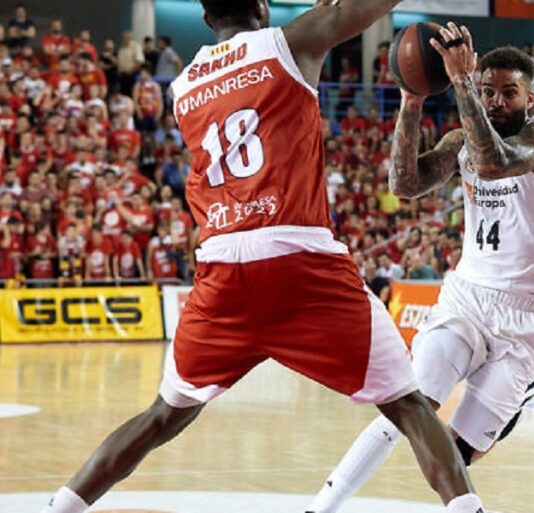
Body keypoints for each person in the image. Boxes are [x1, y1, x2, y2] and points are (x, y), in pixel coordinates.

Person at [39, 2, 483, 513]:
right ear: (261, 6)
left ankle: (61, 508)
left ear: (207, 19)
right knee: (408, 405)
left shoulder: (183, 86)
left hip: (223, 269)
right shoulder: (289, 42)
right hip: (300, 259)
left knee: (163, 415)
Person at [308, 34, 534, 513]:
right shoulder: (460, 142)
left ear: (530, 98)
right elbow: (404, 184)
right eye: (488, 90)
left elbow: (493, 164)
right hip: (467, 301)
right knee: (406, 407)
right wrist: (411, 101)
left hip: (530, 322)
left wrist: (461, 83)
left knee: (460, 454)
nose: (496, 100)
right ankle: (319, 508)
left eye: (508, 92)